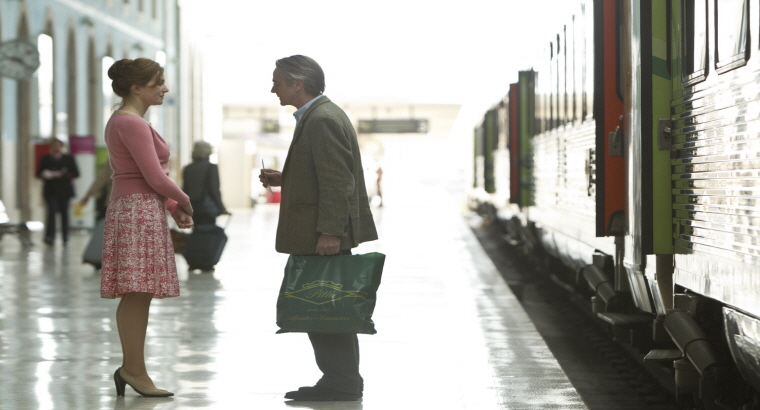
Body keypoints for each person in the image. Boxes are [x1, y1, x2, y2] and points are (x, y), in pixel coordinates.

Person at [259, 55, 378, 402]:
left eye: (277, 81)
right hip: (318, 231)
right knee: (325, 309)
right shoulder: (319, 115)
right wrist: (287, 179)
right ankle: (340, 379)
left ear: (299, 83)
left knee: (326, 310)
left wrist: (330, 231)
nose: (273, 88)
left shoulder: (321, 119)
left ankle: (341, 382)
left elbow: (338, 181)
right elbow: (323, 174)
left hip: (321, 234)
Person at [100, 57, 193, 398]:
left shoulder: (130, 121)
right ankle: (134, 370)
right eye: (157, 83)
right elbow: (154, 177)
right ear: (136, 88)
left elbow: (141, 177)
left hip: (142, 208)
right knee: (137, 292)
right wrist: (184, 201)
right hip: (137, 212)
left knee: (139, 293)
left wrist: (171, 207)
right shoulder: (131, 122)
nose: (164, 89)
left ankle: (133, 369)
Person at [36, 138, 80, 245]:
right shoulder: (45, 159)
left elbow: (76, 173)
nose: (56, 147)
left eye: (58, 145)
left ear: (62, 146)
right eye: (53, 145)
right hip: (51, 191)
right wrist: (46, 175)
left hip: (64, 191)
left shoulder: (69, 158)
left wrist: (63, 175)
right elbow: (38, 173)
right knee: (51, 213)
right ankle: (50, 236)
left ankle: (65, 236)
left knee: (64, 214)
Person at [182, 141, 228, 226]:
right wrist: (222, 208)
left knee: (196, 231)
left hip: (192, 207)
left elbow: (185, 189)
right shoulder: (211, 167)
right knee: (208, 232)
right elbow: (214, 189)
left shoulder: (188, 168)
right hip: (207, 207)